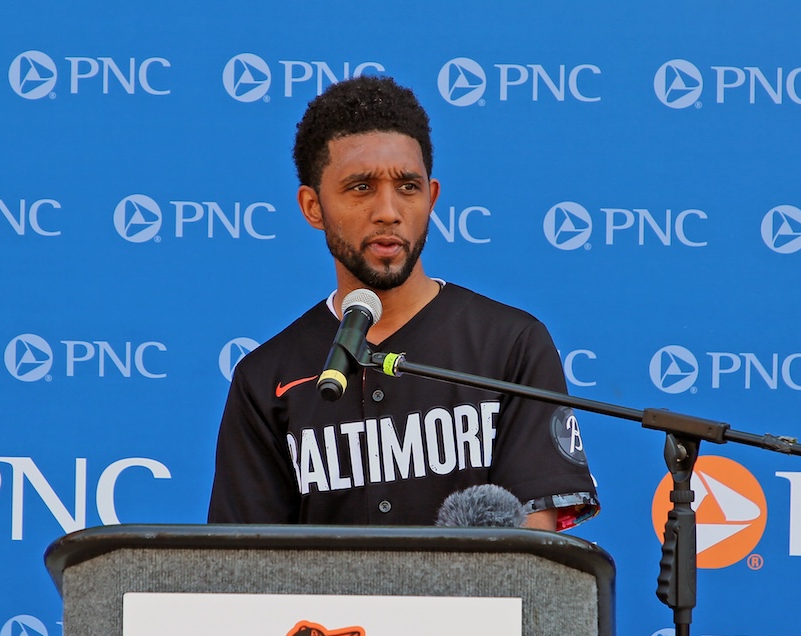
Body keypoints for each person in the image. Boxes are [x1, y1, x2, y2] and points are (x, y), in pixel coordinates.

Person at [207, 75, 598, 530]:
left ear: (431, 198)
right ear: (313, 207)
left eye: (408, 187)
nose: (389, 212)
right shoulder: (266, 379)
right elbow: (246, 562)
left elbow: (533, 551)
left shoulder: (511, 345)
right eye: (361, 187)